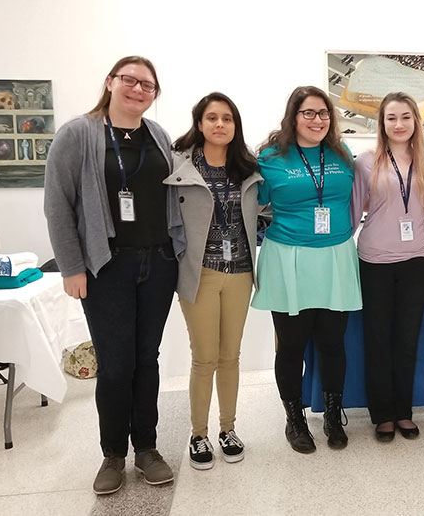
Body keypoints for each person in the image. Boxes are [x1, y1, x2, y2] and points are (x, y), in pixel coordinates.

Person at [44, 56, 184, 495]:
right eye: (130, 80)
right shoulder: (78, 134)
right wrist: (71, 267)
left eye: (148, 85)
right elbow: (57, 205)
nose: (138, 90)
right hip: (107, 266)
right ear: (110, 82)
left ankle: (147, 448)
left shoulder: (158, 136)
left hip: (158, 264)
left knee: (147, 360)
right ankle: (112, 455)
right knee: (116, 364)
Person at [251, 86, 361, 454]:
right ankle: (294, 418)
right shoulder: (270, 158)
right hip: (289, 258)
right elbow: (251, 202)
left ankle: (332, 413)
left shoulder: (342, 154)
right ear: (293, 116)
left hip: (335, 257)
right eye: (309, 113)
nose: (317, 120)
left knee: (333, 343)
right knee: (292, 345)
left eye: (324, 113)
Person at [167, 93, 261, 470]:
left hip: (239, 272)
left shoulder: (248, 167)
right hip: (200, 273)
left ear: (235, 126)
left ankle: (228, 429)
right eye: (212, 118)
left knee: (230, 356)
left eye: (227, 119)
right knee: (204, 357)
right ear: (200, 122)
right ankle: (198, 434)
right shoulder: (180, 166)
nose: (220, 125)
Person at [351, 92, 424, 442]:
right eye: (391, 118)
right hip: (375, 260)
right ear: (382, 123)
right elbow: (354, 212)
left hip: (417, 259)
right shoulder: (366, 161)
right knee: (378, 339)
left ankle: (404, 411)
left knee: (406, 340)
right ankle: (382, 414)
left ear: (415, 121)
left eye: (406, 117)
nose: (399, 124)